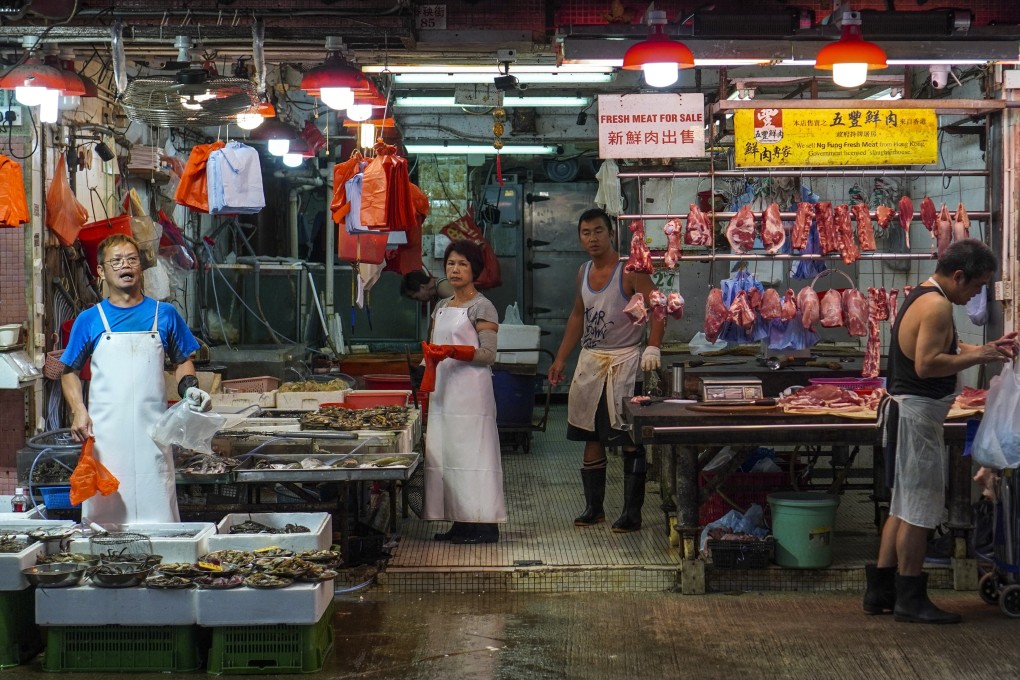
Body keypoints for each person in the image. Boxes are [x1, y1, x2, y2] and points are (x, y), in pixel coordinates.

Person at [865, 239, 1018, 624]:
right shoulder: (936, 305)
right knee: (919, 511)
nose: (977, 294)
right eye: (978, 286)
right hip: (916, 417)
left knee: (902, 506)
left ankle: (880, 592)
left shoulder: (925, 295)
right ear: (959, 275)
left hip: (911, 414)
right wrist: (981, 355)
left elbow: (943, 346)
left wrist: (989, 347)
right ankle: (910, 598)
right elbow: (928, 364)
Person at [60, 233, 211, 525]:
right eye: (116, 261)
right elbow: (69, 372)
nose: (125, 265)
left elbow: (183, 361)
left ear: (141, 268)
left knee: (159, 515)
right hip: (105, 438)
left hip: (152, 435)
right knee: (105, 519)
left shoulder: (164, 314)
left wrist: (189, 389)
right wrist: (79, 410)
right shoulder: (90, 320)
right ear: (101, 272)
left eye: (131, 259)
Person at [548, 207, 664, 533]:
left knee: (629, 437)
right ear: (580, 238)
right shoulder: (583, 271)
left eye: (598, 231)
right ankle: (593, 508)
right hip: (591, 362)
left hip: (626, 362)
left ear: (611, 233)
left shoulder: (631, 270)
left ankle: (631, 513)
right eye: (586, 233)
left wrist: (653, 346)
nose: (593, 238)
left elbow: (658, 308)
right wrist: (560, 359)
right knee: (591, 434)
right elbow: (576, 316)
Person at [422, 239, 506, 544]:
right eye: (450, 263)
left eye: (462, 264)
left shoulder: (483, 306)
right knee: (448, 455)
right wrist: (431, 359)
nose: (455, 270)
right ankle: (460, 521)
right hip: (444, 391)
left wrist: (455, 352)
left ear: (475, 270)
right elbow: (431, 349)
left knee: (475, 456)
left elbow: (488, 354)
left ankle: (484, 524)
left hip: (472, 394)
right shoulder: (442, 307)